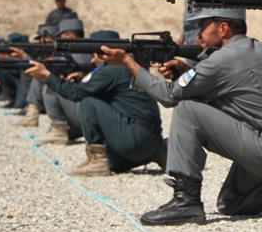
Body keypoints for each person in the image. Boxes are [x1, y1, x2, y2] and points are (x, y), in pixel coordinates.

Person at [99, 8, 262, 225]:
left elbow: (169, 96)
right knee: (230, 204)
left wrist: (129, 63)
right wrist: (185, 70)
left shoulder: (222, 59)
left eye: (203, 27)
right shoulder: (255, 47)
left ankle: (186, 202)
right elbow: (224, 91)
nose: (198, 35)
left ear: (223, 28)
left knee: (187, 109)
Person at [26, 29, 165, 176]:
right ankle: (163, 152)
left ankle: (97, 161)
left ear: (103, 53)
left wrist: (47, 75)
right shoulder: (130, 65)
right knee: (111, 164)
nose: (92, 60)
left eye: (93, 54)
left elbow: (76, 93)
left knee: (88, 102)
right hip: (152, 143)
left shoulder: (113, 68)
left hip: (133, 141)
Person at [14, 24, 56, 128]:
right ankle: (31, 111)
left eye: (46, 38)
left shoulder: (61, 52)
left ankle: (32, 114)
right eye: (41, 38)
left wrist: (24, 56)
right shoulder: (43, 53)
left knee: (39, 76)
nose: (43, 41)